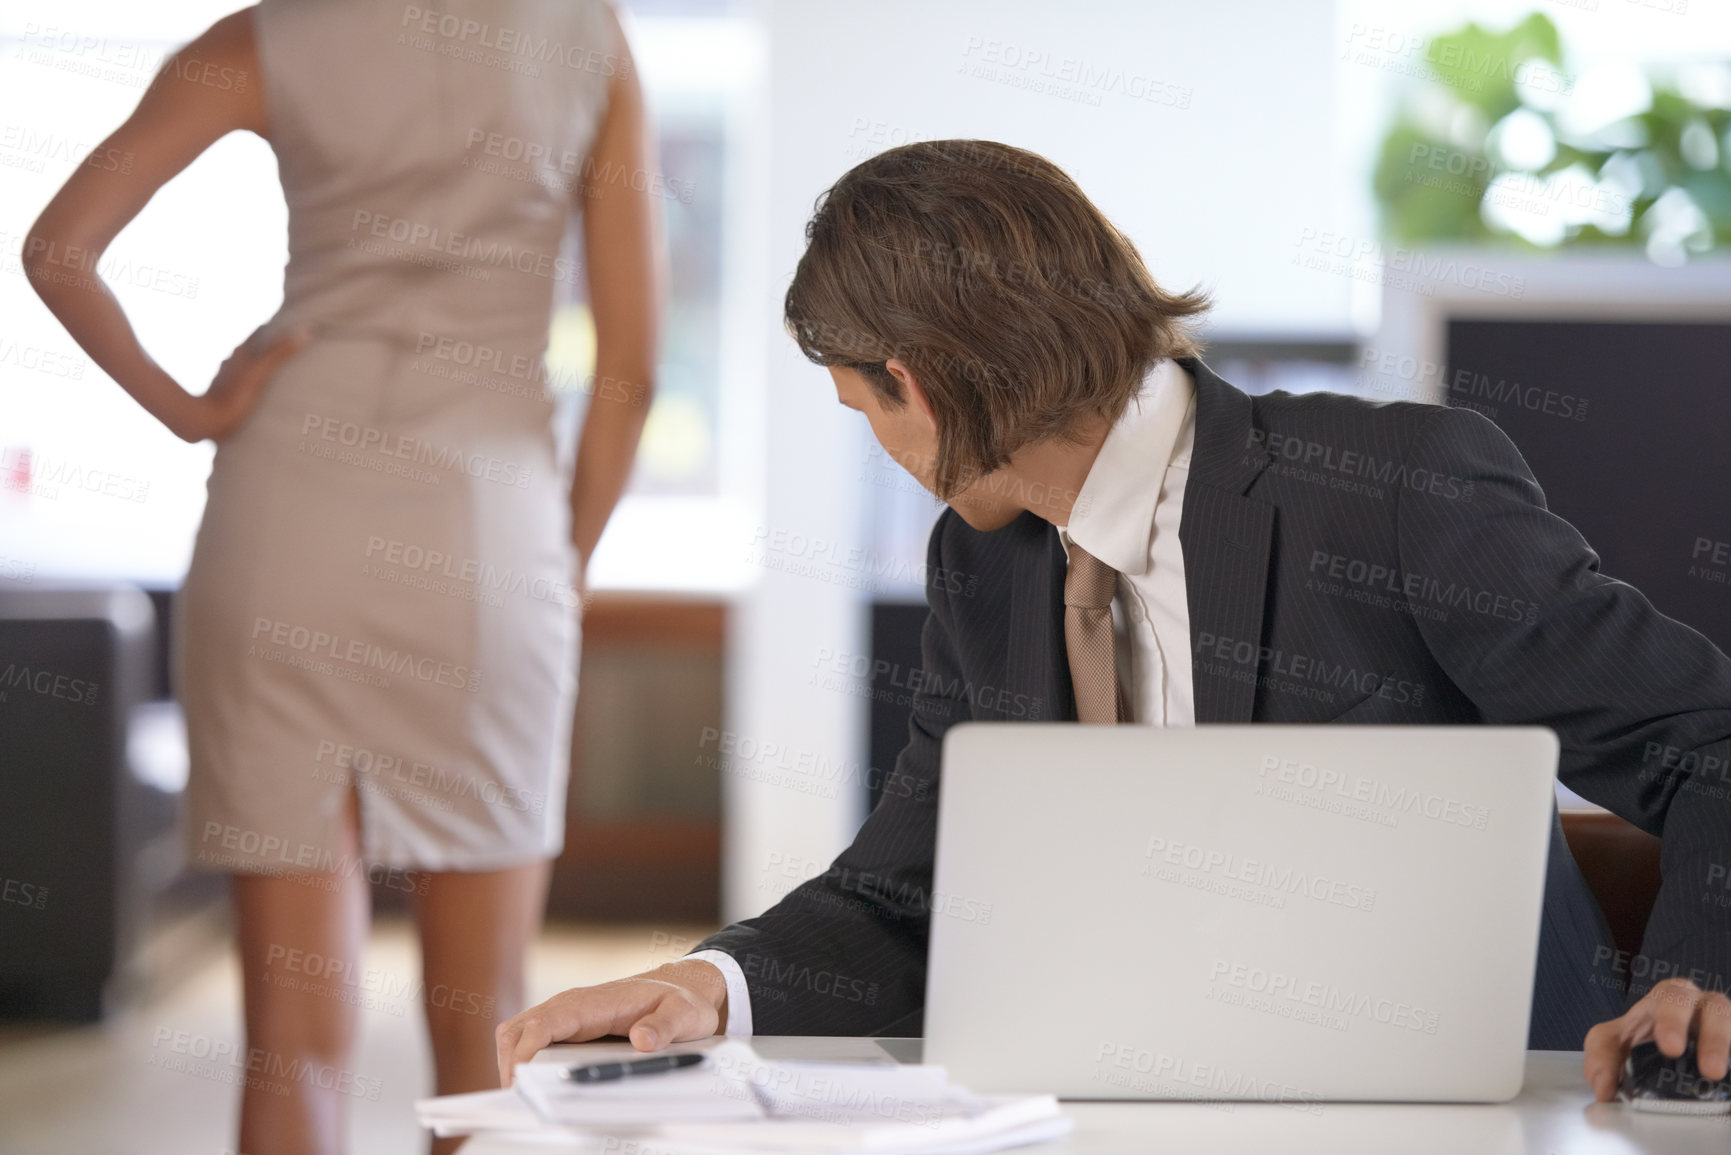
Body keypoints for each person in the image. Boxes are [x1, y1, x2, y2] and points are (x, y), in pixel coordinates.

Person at [494, 140, 1731, 1103]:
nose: (879, 443)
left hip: (1478, 1110)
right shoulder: (982, 568)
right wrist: (700, 986)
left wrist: (1696, 981)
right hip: (1143, 1104)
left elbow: (1708, 743)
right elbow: (911, 891)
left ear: (914, 384)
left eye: (857, 403)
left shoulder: (1389, 492)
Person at [25, 2, 657, 1152]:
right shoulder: (584, 35)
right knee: (488, 1042)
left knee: (293, 1046)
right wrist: (559, 564)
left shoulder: (267, 37)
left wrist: (193, 412)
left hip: (285, 523)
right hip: (486, 531)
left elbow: (57, 250)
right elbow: (635, 366)